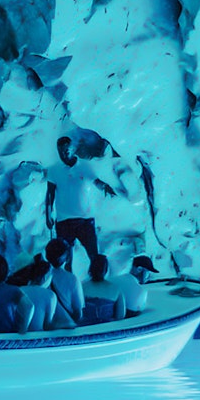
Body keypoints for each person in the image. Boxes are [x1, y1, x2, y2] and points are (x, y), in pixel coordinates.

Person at [44, 136, 116, 270]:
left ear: (72, 150)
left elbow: (96, 181)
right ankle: (68, 287)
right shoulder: (54, 170)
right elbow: (50, 195)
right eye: (60, 152)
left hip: (85, 220)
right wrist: (48, 216)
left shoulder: (85, 166)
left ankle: (97, 284)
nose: (63, 155)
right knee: (65, 261)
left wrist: (106, 188)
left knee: (94, 256)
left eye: (66, 151)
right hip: (64, 221)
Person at [19, 260, 77, 331]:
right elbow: (47, 325)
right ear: (45, 277)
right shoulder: (50, 295)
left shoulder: (19, 290)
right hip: (37, 336)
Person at [45, 238, 84, 323]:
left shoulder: (41, 277)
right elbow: (78, 313)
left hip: (47, 326)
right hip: (66, 325)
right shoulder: (72, 279)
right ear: (66, 257)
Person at [81, 254, 126, 325]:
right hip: (107, 329)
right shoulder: (116, 289)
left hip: (87, 329)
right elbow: (120, 316)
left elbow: (76, 313)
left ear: (91, 268)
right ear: (106, 270)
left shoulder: (82, 288)